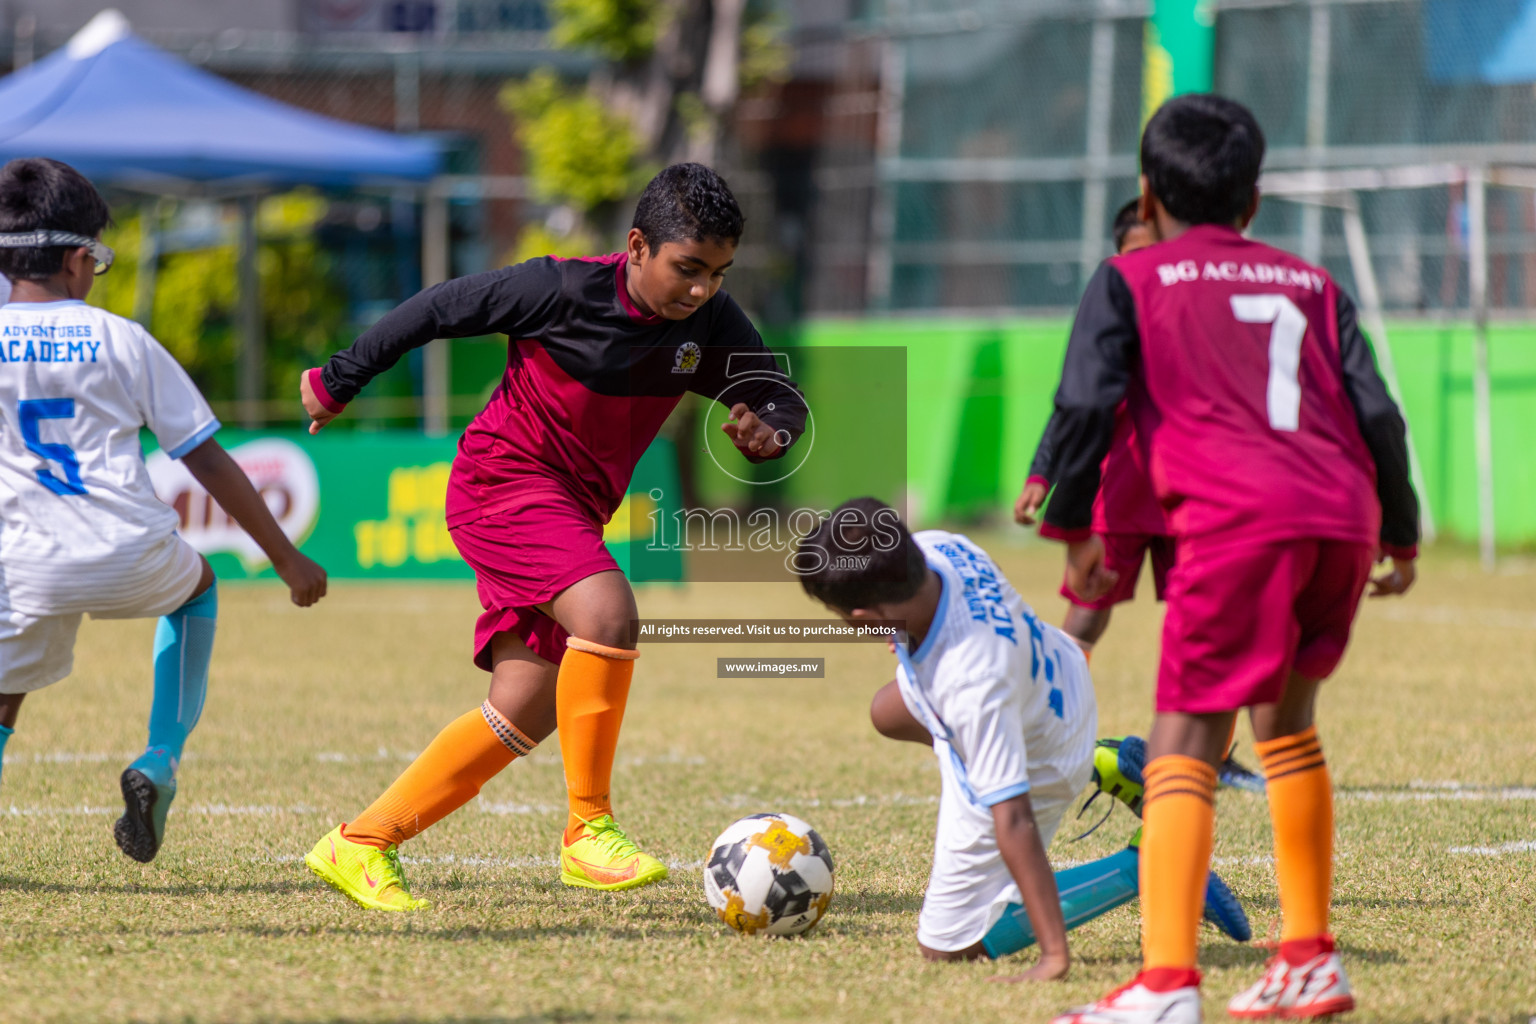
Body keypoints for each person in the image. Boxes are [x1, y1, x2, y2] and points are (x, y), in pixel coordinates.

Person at [299, 163, 807, 911]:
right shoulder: (559, 289)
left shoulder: (710, 322)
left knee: (528, 704)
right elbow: (440, 307)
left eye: (719, 274)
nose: (702, 290)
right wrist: (341, 377)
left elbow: (774, 392)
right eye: (688, 269)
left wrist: (773, 428)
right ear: (637, 246)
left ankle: (361, 841)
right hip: (501, 483)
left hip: (572, 510)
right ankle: (588, 832)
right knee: (608, 614)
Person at [1038, 95, 1418, 1024]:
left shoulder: (1131, 278)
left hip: (1240, 523)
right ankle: (1309, 960)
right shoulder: (1314, 284)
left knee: (1182, 741)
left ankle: (1165, 987)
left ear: (1146, 192)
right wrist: (1401, 530)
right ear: (1253, 199)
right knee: (1287, 726)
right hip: (1340, 515)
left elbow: (1086, 401)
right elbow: (1379, 415)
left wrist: (1074, 522)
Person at [0, 157, 328, 862]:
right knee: (198, 589)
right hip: (130, 550)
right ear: (75, 259)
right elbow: (204, 456)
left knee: (5, 695)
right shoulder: (121, 340)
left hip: (23, 562)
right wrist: (285, 556)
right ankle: (159, 758)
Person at [795, 498, 1249, 979]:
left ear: (868, 616)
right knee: (887, 712)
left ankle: (1143, 864)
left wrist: (1054, 955)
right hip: (1057, 675)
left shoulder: (970, 686)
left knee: (946, 946)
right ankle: (1104, 762)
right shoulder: (940, 547)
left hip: (1046, 755)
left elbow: (1013, 822)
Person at [1016, 199, 1264, 794]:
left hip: (1190, 492)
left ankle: (1215, 755)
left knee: (1209, 623)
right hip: (1121, 490)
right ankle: (1050, 735)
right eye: (1135, 252)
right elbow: (1072, 402)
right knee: (1085, 615)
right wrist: (1041, 474)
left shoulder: (1197, 312)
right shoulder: (1114, 300)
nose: (1148, 262)